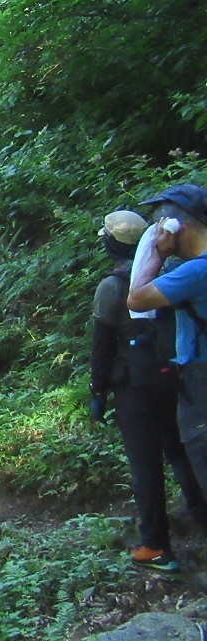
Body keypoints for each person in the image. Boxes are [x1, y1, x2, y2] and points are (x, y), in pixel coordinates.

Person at [93, 209, 207, 572]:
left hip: (135, 386)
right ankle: (202, 523)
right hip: (176, 378)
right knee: (182, 454)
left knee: (145, 465)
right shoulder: (175, 275)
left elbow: (102, 345)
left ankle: (156, 545)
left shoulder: (113, 287)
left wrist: (97, 391)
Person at [127, 183, 207, 504]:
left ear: (177, 227)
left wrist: (157, 253)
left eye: (161, 224)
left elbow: (136, 299)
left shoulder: (195, 272)